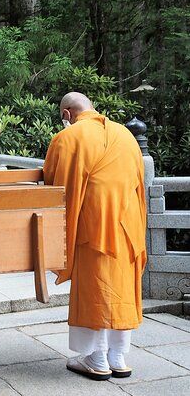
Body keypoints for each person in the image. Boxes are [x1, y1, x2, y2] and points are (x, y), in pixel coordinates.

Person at [43, 92, 147, 380]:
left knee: (95, 288)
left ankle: (96, 358)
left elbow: (55, 185)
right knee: (121, 288)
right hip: (127, 226)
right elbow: (139, 184)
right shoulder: (126, 135)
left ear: (66, 114)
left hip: (93, 226)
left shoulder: (69, 137)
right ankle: (119, 356)